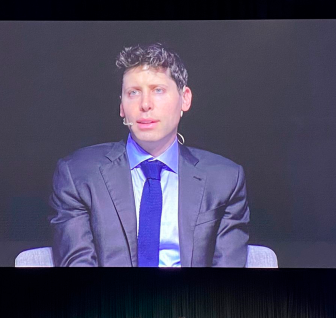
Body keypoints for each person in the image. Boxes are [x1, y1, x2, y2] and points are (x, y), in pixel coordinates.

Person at [49, 43, 249, 268]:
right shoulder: (78, 174)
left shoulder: (224, 179)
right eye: (133, 93)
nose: (145, 104)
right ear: (122, 107)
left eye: (158, 90)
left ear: (185, 99)